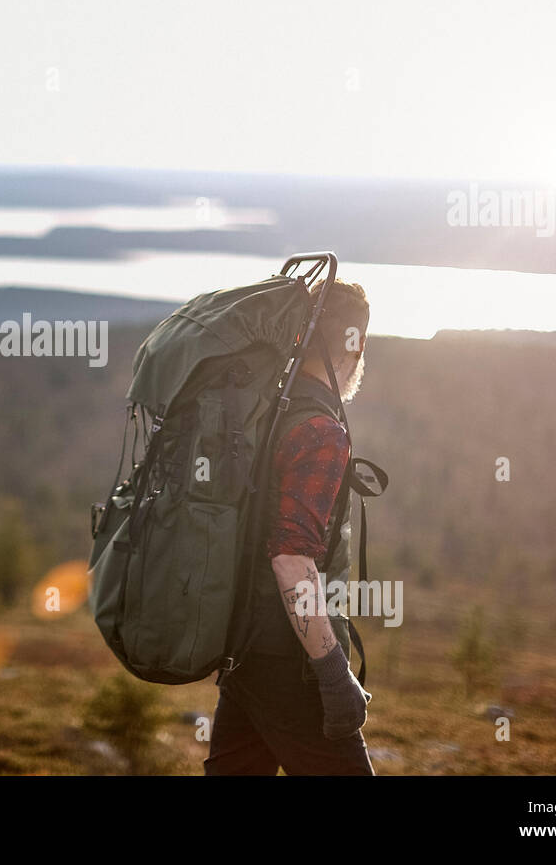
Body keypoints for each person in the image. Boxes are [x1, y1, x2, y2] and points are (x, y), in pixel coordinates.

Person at [204, 279, 375, 775]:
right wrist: (330, 672)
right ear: (354, 345)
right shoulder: (320, 431)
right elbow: (291, 560)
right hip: (288, 663)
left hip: (244, 649)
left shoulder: (259, 412)